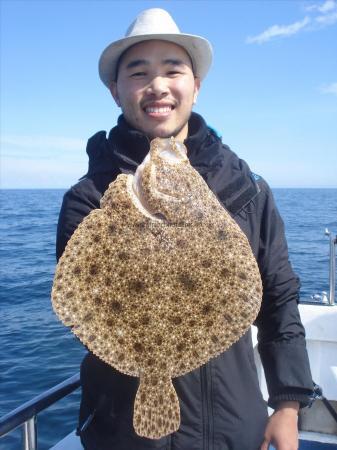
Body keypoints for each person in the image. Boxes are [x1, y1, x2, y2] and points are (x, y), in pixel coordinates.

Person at [56, 8, 314, 450]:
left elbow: (278, 298)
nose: (157, 85)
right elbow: (85, 305)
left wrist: (287, 405)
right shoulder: (88, 198)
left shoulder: (248, 191)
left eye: (173, 70)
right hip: (125, 435)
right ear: (115, 91)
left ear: (195, 85)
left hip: (235, 429)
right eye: (138, 73)